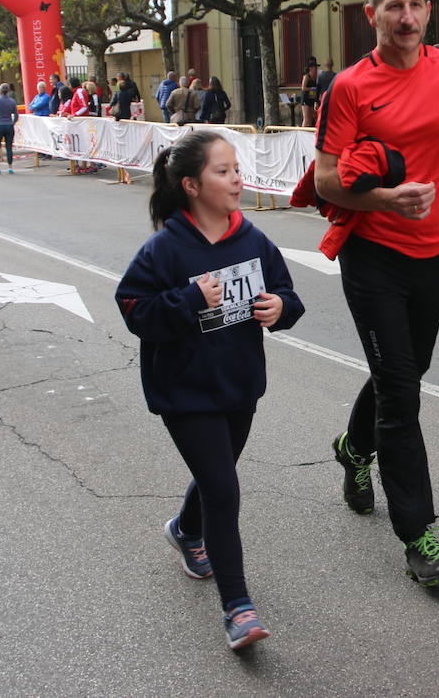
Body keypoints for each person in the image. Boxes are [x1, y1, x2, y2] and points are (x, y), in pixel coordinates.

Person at [316, 0, 439, 587]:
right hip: (371, 253)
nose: (407, 17)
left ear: (429, 11)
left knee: (404, 372)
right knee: (401, 391)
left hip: (433, 249)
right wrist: (382, 201)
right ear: (370, 16)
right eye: (393, 6)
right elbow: (324, 180)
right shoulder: (347, 88)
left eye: (416, 5)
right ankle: (419, 535)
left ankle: (352, 448)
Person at [114, 131, 304, 650]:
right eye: (223, 171)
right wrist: (188, 299)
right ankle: (238, 607)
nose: (237, 178)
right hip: (184, 392)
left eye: (237, 168)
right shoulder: (165, 248)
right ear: (193, 185)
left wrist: (281, 309)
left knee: (216, 477)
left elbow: (289, 295)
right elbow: (134, 309)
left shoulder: (255, 241)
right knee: (223, 488)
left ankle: (184, 529)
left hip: (239, 385)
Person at [0, 83, 18, 174]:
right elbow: (16, 115)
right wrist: (12, 123)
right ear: (8, 91)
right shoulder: (12, 101)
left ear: (0, 91)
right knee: (9, 147)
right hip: (9, 124)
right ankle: (10, 167)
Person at [300, 58, 320, 127]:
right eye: (315, 68)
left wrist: (315, 100)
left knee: (311, 118)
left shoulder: (315, 77)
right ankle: (302, 133)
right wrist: (310, 89)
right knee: (306, 118)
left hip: (311, 97)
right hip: (305, 98)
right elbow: (303, 88)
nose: (316, 69)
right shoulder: (306, 76)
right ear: (311, 68)